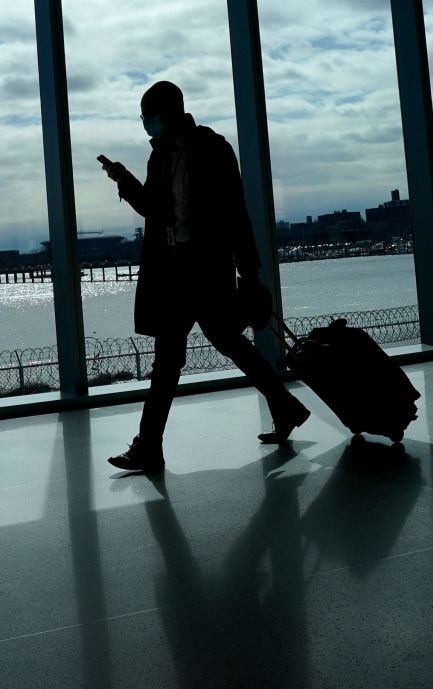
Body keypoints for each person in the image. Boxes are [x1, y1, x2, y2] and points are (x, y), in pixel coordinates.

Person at [102, 80, 309, 473]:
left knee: (182, 357)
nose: (147, 125)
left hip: (206, 269)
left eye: (150, 117)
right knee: (204, 350)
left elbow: (236, 214)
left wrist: (249, 273)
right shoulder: (159, 157)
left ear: (169, 113)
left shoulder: (214, 149)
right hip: (175, 272)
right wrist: (123, 180)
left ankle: (150, 447)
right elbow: (158, 211)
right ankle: (285, 408)